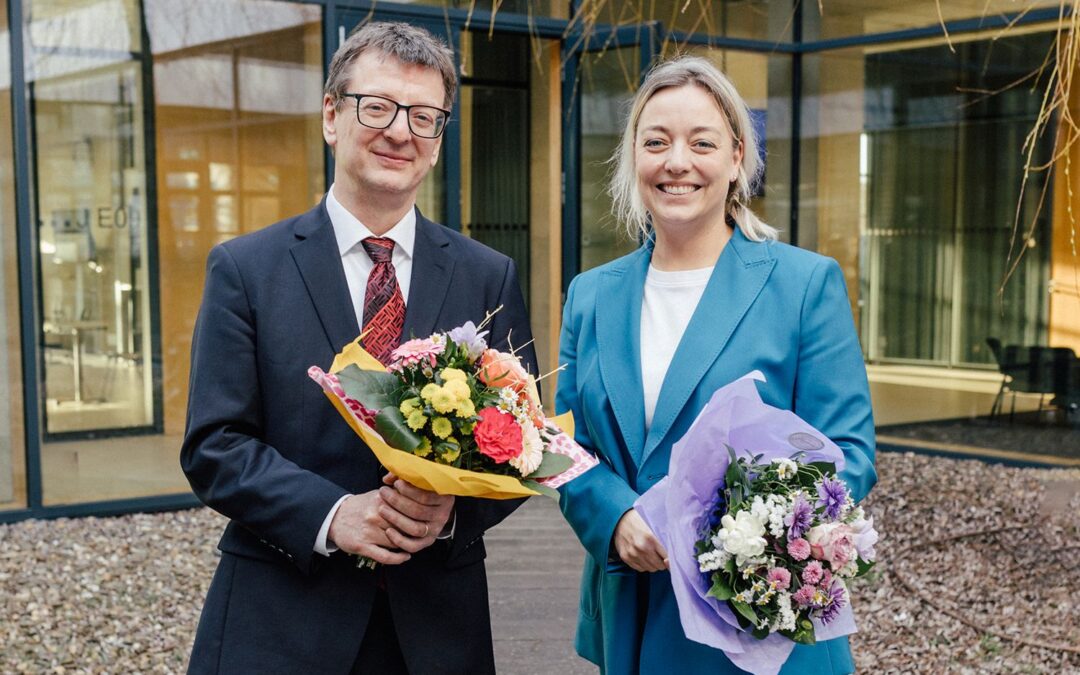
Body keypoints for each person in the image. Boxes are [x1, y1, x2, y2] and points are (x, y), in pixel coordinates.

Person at [181, 21, 535, 674]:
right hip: (283, 620)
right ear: (331, 116)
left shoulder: (489, 276)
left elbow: (524, 444)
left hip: (437, 631)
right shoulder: (246, 269)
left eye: (423, 116)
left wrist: (448, 513)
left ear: (438, 138)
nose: (400, 132)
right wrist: (333, 513)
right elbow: (215, 445)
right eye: (378, 107)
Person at [555, 56, 877, 674]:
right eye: (656, 142)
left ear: (736, 159)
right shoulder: (590, 295)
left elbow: (848, 454)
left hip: (754, 626)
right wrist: (615, 516)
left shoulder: (804, 284)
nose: (677, 162)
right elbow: (567, 447)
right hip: (631, 608)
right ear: (633, 158)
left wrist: (741, 537)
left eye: (701, 143)